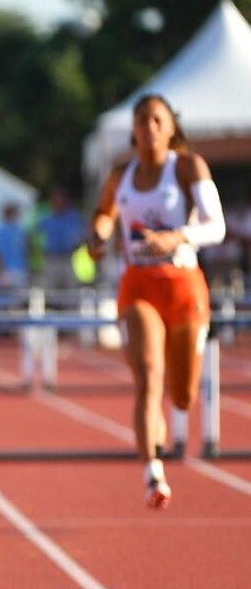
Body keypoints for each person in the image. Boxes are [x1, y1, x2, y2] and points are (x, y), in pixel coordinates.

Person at [86, 94, 224, 509]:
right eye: (141, 120)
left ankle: (169, 416)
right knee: (148, 379)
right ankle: (153, 474)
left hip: (184, 288)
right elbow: (104, 213)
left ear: (169, 127)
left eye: (156, 120)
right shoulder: (120, 174)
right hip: (138, 287)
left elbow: (215, 226)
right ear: (133, 128)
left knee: (181, 396)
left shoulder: (187, 167)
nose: (147, 127)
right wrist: (99, 235)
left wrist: (178, 235)